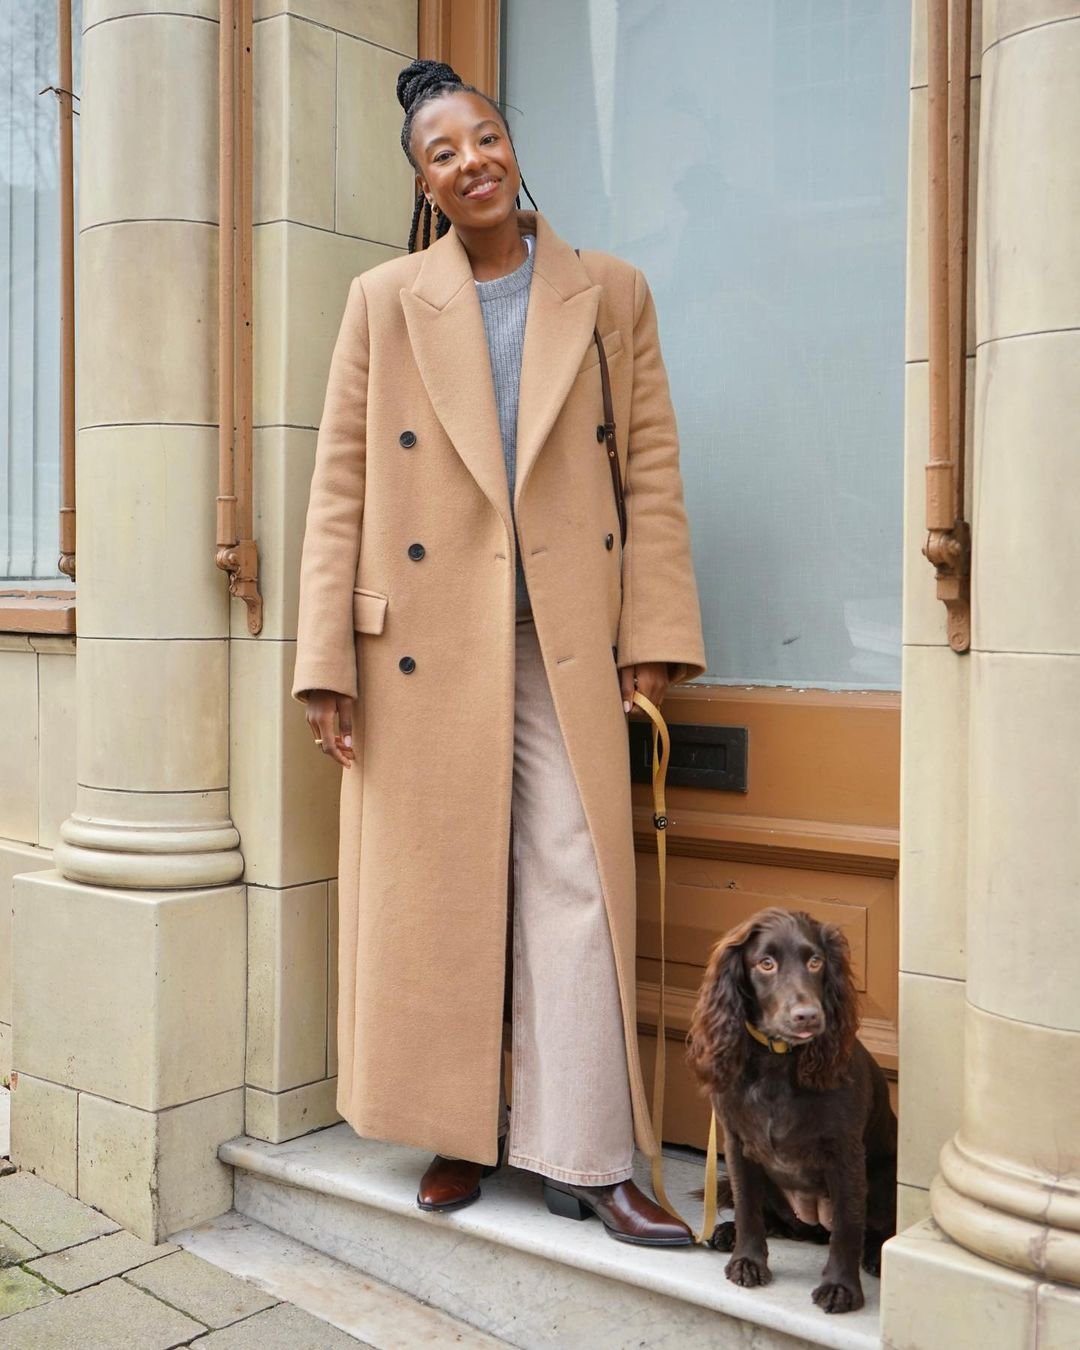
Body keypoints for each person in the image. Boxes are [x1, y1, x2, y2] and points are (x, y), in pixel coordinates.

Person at [293, 59, 705, 1247]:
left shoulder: (608, 290)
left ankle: (589, 1155)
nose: (470, 161)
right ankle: (459, 1132)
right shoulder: (385, 299)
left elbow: (654, 471)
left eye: (484, 138)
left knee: (576, 885)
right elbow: (339, 488)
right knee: (442, 888)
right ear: (422, 181)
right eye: (442, 152)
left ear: (513, 145)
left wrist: (656, 635)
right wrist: (327, 659)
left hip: (560, 637)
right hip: (424, 641)